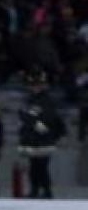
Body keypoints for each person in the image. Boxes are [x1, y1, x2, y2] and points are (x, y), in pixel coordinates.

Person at [18, 68, 66, 198]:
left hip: (43, 139)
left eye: (37, 85)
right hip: (34, 138)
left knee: (41, 167)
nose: (35, 87)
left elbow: (45, 120)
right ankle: (36, 189)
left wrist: (33, 122)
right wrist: (30, 119)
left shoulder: (46, 100)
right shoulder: (32, 99)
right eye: (33, 85)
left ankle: (45, 190)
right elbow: (26, 115)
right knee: (34, 166)